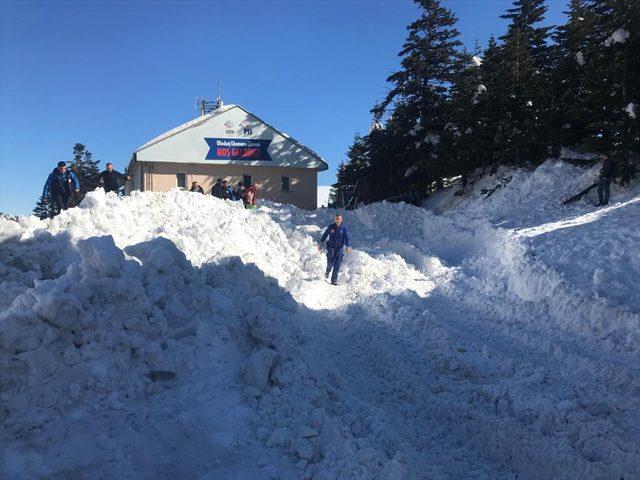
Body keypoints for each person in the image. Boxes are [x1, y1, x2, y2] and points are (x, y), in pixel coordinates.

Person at [317, 214, 352, 285]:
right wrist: (321, 242)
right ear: (334, 219)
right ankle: (327, 271)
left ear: (341, 219)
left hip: (339, 249)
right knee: (330, 262)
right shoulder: (331, 227)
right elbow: (325, 234)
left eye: (339, 219)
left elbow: (346, 237)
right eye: (336, 219)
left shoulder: (344, 228)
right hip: (331, 248)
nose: (337, 220)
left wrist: (347, 246)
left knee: (337, 264)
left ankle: (334, 281)